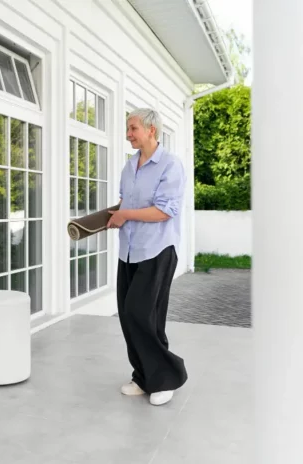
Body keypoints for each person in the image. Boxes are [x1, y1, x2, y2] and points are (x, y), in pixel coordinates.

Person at [106, 108, 188, 406]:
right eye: (128, 129)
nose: (128, 134)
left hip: (157, 250)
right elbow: (126, 203)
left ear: (151, 129)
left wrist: (125, 213)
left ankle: (166, 377)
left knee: (145, 315)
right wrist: (113, 214)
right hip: (128, 251)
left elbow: (165, 210)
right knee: (128, 315)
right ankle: (143, 376)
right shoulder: (129, 167)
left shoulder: (170, 165)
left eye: (133, 128)